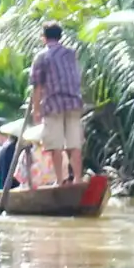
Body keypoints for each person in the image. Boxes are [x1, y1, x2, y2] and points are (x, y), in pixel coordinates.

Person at [30, 21, 85, 185]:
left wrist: (36, 110)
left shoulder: (42, 56)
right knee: (74, 144)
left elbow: (38, 86)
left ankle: (60, 181)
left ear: (44, 38)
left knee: (56, 145)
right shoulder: (70, 54)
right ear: (60, 37)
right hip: (74, 103)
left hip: (53, 104)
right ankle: (77, 179)